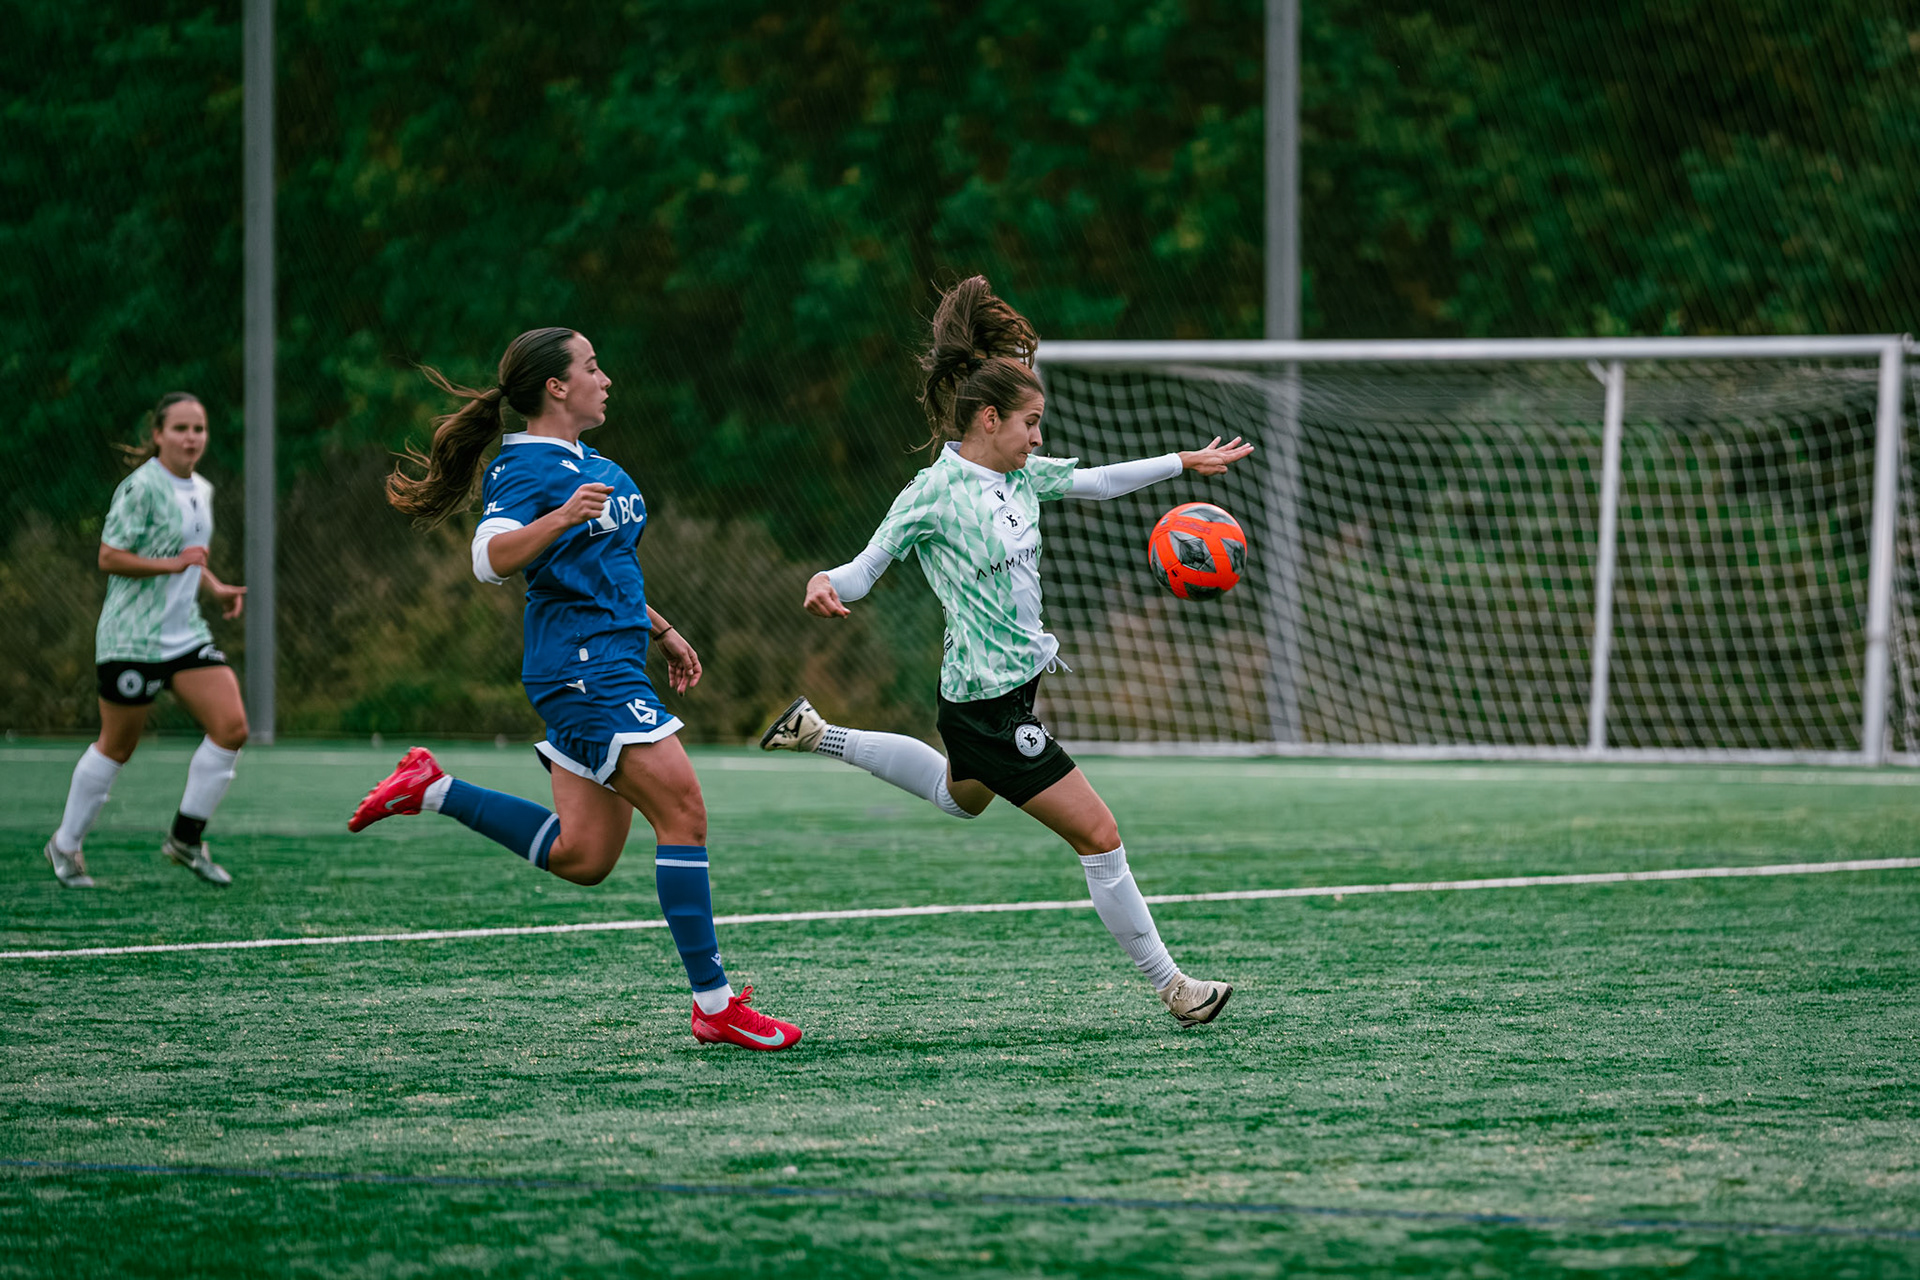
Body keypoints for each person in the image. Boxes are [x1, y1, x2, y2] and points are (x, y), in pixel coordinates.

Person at [761, 277, 1252, 1028]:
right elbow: (864, 567)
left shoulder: (1019, 473)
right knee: (1100, 834)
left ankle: (817, 733)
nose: (1039, 437)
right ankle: (1174, 987)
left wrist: (1182, 463)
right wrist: (827, 583)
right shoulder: (932, 492)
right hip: (988, 711)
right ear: (989, 419)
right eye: (1031, 422)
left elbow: (1094, 483)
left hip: (994, 697)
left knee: (958, 800)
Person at [348, 327, 800, 1052]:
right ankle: (713, 1004)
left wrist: (662, 629)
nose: (606, 378)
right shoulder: (525, 468)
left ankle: (431, 788)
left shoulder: (592, 464)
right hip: (584, 670)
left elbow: (598, 566)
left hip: (611, 658)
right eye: (592, 367)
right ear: (556, 387)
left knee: (582, 857)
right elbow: (487, 559)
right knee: (684, 810)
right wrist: (558, 516)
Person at [45, 393, 250, 889]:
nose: (191, 438)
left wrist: (214, 586)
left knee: (232, 727)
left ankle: (184, 838)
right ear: (157, 434)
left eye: (198, 429)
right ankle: (65, 844)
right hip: (132, 637)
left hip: (183, 635)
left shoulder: (201, 488)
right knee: (117, 746)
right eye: (180, 428)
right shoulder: (140, 488)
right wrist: (174, 565)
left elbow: (187, 556)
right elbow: (110, 557)